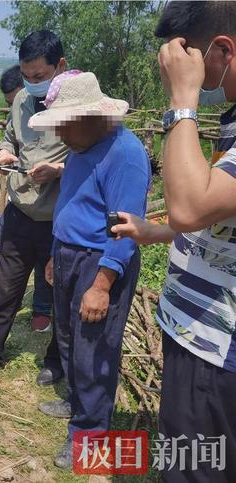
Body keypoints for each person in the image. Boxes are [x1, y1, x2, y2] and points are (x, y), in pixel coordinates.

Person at [112, 2, 236, 481]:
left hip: (215, 350)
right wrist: (157, 231)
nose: (198, 84)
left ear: (221, 51)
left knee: (195, 471)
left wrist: (181, 101)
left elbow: (189, 206)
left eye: (199, 69)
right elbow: (213, 217)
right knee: (188, 458)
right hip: (196, 336)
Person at [29, 71, 150, 469]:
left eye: (66, 125)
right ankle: (77, 402)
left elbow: (125, 229)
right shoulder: (81, 148)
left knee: (94, 351)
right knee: (68, 339)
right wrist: (54, 253)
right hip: (67, 256)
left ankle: (90, 436)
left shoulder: (126, 154)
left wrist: (101, 284)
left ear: (92, 117)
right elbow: (74, 202)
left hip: (99, 264)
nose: (60, 135)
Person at [0, 31, 68, 388]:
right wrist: (4, 153)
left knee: (59, 292)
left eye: (39, 76)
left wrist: (57, 171)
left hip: (59, 219)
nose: (33, 84)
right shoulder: (22, 99)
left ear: (60, 67)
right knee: (5, 288)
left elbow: (93, 161)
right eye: (27, 76)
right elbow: (11, 137)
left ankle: (56, 362)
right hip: (20, 213)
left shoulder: (78, 106)